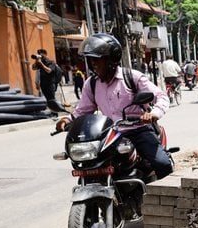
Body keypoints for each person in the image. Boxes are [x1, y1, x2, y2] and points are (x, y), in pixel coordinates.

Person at [55, 33, 174, 178]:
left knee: (162, 164)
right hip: (109, 135)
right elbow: (84, 110)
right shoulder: (91, 84)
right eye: (90, 60)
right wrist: (68, 119)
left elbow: (161, 96)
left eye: (97, 60)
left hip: (137, 130)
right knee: (91, 166)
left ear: (111, 59)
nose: (93, 64)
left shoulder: (132, 77)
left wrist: (154, 113)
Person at [32, 49, 67, 113]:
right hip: (43, 84)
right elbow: (33, 68)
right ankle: (52, 111)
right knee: (47, 100)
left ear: (45, 55)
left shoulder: (51, 62)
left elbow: (49, 71)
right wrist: (36, 61)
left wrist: (41, 64)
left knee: (52, 99)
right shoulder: (39, 63)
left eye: (41, 54)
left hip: (50, 84)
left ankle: (55, 112)